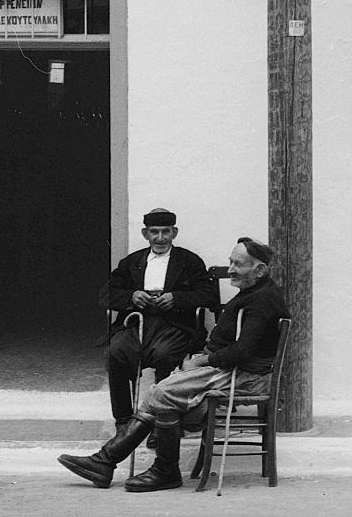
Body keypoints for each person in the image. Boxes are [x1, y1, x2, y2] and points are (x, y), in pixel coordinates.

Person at [59, 237, 290, 492]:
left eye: (239, 265)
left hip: (245, 374)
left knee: (163, 392)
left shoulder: (262, 300)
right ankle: (105, 464)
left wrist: (203, 360)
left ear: (260, 270)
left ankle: (159, 470)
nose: (231, 270)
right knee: (163, 392)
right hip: (226, 368)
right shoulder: (253, 292)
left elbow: (242, 351)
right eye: (231, 262)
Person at [99, 209, 218, 437]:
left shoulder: (189, 261)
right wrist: (131, 296)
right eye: (155, 232)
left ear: (174, 232)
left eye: (166, 232)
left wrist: (177, 299)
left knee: (165, 355)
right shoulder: (132, 262)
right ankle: (124, 422)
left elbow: (207, 294)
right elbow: (106, 294)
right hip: (137, 323)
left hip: (175, 324)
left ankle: (162, 425)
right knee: (116, 353)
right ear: (146, 234)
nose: (160, 238)